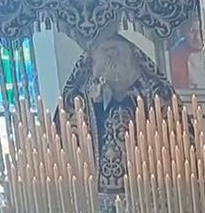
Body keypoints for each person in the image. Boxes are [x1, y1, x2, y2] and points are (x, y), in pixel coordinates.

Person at [58, 32, 175, 189]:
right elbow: (74, 118)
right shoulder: (85, 86)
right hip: (99, 172)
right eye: (106, 50)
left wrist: (133, 95)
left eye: (115, 49)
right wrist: (96, 101)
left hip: (139, 168)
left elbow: (160, 107)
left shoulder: (144, 82)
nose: (111, 55)